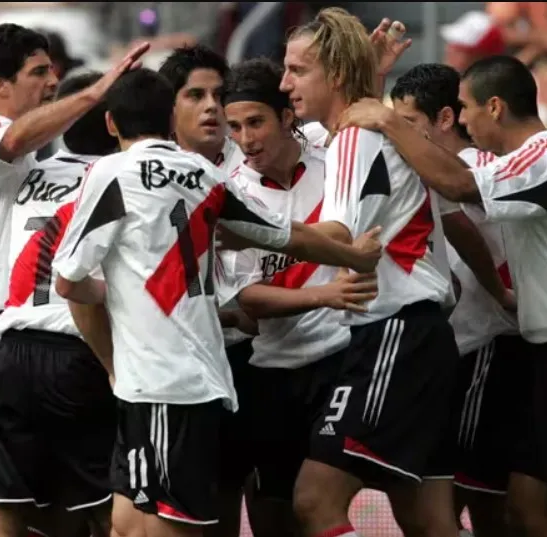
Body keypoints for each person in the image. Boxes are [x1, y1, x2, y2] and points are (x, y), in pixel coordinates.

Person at [51, 67, 382, 537]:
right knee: (126, 522)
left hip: (164, 382)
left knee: (167, 528)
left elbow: (68, 282)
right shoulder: (206, 176)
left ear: (111, 123)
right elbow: (287, 236)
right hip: (187, 378)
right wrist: (354, 255)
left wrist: (114, 299)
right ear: (171, 118)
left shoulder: (112, 172)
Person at [337, 55, 547, 537]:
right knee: (523, 507)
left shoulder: (545, 156)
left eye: (466, 107)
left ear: (496, 107)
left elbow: (461, 185)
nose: (462, 120)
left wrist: (387, 121)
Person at [0, 22, 148, 537]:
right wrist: (96, 93)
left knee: (37, 509)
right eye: (38, 72)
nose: (51, 82)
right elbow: (15, 138)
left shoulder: (42, 165)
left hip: (15, 338)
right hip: (17, 329)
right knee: (88, 504)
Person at [280, 8, 460, 537]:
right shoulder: (361, 131)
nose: (285, 83)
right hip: (421, 335)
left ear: (335, 74)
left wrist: (247, 229)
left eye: (298, 70)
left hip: (395, 335)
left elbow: (341, 238)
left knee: (315, 500)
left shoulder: (356, 137)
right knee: (427, 520)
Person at [217, 58, 378, 537]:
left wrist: (374, 73)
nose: (245, 139)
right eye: (234, 128)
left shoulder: (334, 162)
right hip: (272, 374)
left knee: (321, 501)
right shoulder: (231, 195)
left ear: (288, 117)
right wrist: (325, 295)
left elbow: (356, 116)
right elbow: (249, 299)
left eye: (255, 122)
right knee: (276, 514)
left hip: (341, 361)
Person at [389, 62, 521, 536]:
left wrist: (499, 293)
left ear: (445, 118)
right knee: (460, 505)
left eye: (408, 123)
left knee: (465, 504)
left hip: (488, 346)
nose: (399, 136)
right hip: (452, 353)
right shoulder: (418, 174)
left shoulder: (480, 170)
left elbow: (465, 219)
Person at [156, 44, 254, 537]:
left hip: (248, 356)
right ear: (169, 107)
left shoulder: (253, 163)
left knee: (236, 497)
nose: (212, 106)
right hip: (176, 364)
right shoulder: (146, 175)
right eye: (195, 95)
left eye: (219, 94)